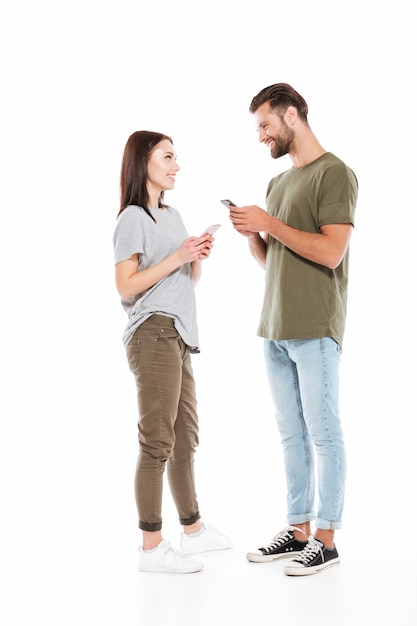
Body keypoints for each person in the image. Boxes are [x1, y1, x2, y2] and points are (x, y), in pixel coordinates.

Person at [228, 83, 358, 576]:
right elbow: (272, 262)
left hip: (316, 324)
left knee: (324, 432)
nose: (262, 135)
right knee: (291, 434)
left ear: (290, 116)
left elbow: (330, 252)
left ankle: (326, 538)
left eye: (265, 124)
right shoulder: (278, 184)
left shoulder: (335, 173)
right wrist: (255, 234)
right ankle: (298, 528)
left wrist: (271, 224)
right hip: (275, 326)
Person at [113, 130, 232, 574]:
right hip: (153, 335)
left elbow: (186, 284)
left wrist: (194, 256)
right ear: (144, 162)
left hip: (179, 334)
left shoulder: (174, 214)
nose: (176, 165)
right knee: (158, 442)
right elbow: (126, 286)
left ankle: (194, 531)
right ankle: (150, 548)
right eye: (168, 157)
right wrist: (177, 256)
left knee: (187, 439)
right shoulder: (131, 218)